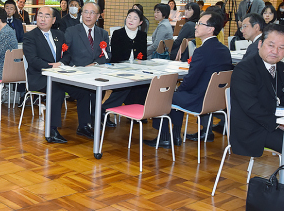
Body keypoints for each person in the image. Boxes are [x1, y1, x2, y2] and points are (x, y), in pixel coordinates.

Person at [144, 12, 233, 148]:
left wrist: (180, 90)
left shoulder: (202, 51)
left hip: (199, 100)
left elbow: (191, 79)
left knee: (163, 96)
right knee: (176, 96)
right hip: (216, 100)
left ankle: (165, 137)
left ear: (211, 29)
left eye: (200, 24)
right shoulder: (224, 50)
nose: (196, 27)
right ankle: (175, 136)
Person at [23, 6, 77, 143]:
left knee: (83, 88)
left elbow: (67, 54)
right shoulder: (30, 36)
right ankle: (51, 130)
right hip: (39, 77)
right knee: (56, 88)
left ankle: (85, 125)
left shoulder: (59, 34)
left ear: (53, 20)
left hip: (60, 74)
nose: (42, 18)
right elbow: (33, 60)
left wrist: (61, 64)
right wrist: (51, 66)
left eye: (47, 16)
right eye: (40, 15)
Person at [230, 24, 284, 157]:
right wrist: (279, 124)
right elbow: (251, 107)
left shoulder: (281, 67)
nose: (275, 51)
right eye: (271, 45)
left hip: (274, 121)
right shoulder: (245, 69)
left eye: (281, 47)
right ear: (260, 44)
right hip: (252, 129)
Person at [61, 2, 111, 137]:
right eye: (85, 12)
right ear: (81, 14)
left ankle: (96, 119)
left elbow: (107, 55)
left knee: (100, 89)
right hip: (77, 73)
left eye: (92, 13)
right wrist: (73, 68)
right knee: (84, 92)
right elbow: (65, 52)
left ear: (98, 16)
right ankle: (84, 125)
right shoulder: (71, 31)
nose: (88, 16)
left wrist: (95, 63)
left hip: (95, 72)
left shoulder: (103, 33)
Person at [101, 9, 148, 116]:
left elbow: (143, 56)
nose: (131, 20)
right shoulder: (118, 34)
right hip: (119, 69)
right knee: (125, 87)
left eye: (135, 18)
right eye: (129, 17)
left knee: (145, 85)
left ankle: (137, 110)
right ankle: (105, 110)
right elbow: (116, 56)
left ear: (140, 22)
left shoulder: (142, 35)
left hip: (136, 70)